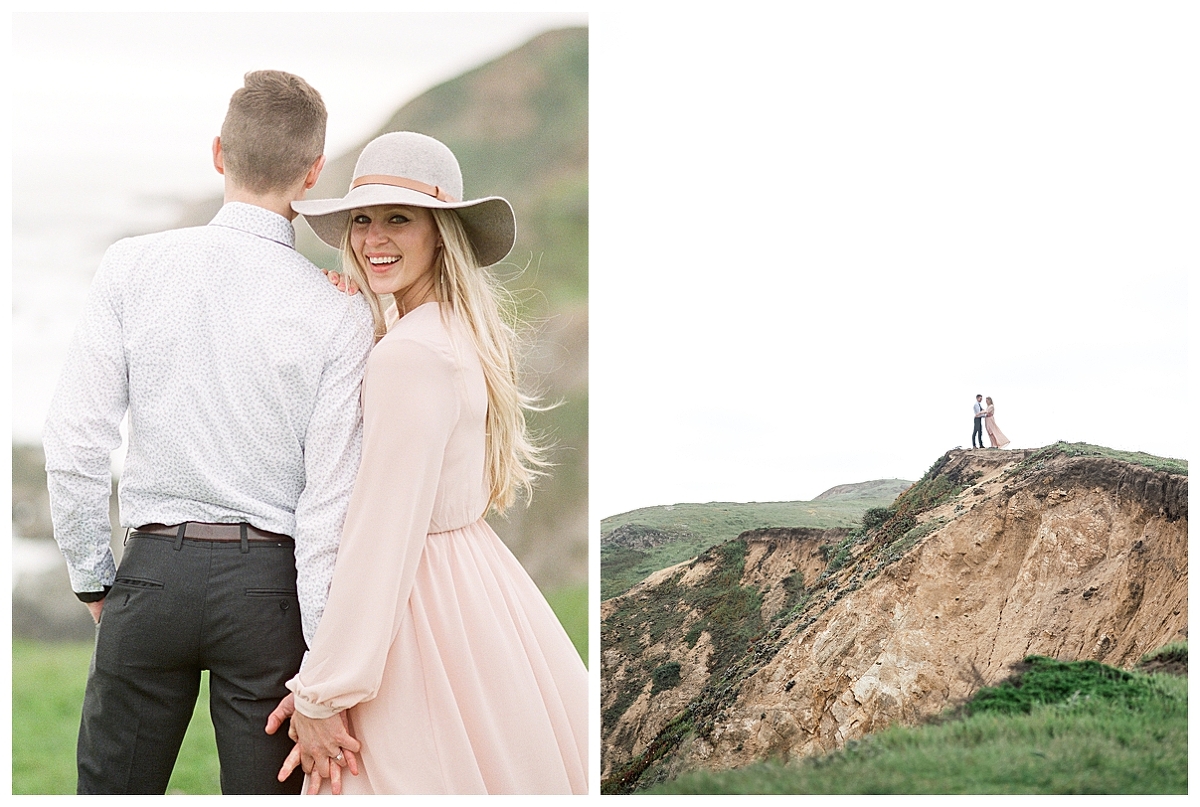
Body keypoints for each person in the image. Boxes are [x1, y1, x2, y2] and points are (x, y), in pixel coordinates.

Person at [42, 71, 375, 794]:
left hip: (151, 571)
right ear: (314, 173)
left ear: (219, 153)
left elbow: (74, 441)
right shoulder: (337, 310)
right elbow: (328, 505)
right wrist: (318, 657)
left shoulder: (132, 265)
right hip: (268, 590)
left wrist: (94, 578)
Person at [265, 131, 588, 794]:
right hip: (476, 587)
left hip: (419, 609)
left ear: (442, 232)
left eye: (399, 219)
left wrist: (325, 689)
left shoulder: (407, 356)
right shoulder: (450, 334)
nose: (373, 239)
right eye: (362, 219)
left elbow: (381, 537)